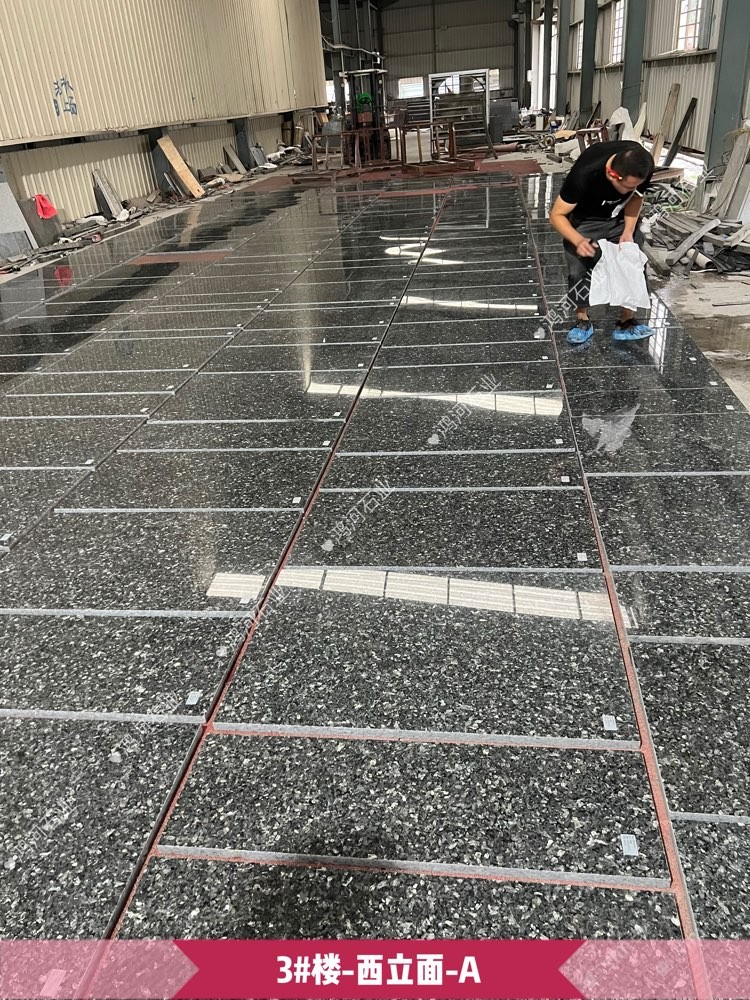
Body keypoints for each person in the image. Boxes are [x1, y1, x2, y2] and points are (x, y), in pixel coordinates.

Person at [549, 140, 656, 345]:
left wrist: (628, 232)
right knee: (579, 268)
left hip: (619, 217)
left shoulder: (642, 165)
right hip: (586, 219)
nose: (630, 190)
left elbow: (636, 198)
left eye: (634, 185)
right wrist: (578, 240)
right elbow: (556, 215)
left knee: (631, 261)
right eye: (627, 186)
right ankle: (582, 320)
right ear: (612, 174)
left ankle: (626, 322)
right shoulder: (584, 173)